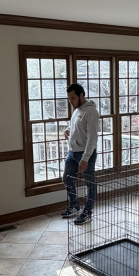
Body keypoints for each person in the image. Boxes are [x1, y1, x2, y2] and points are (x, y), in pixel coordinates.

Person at [62, 82, 99, 225]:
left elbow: (92, 138)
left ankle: (88, 212)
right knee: (66, 178)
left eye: (73, 98)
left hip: (85, 154)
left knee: (90, 184)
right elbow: (77, 126)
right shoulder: (77, 110)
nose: (70, 101)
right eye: (69, 98)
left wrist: (85, 158)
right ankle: (74, 206)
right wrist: (68, 130)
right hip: (72, 153)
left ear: (81, 95)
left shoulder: (91, 112)